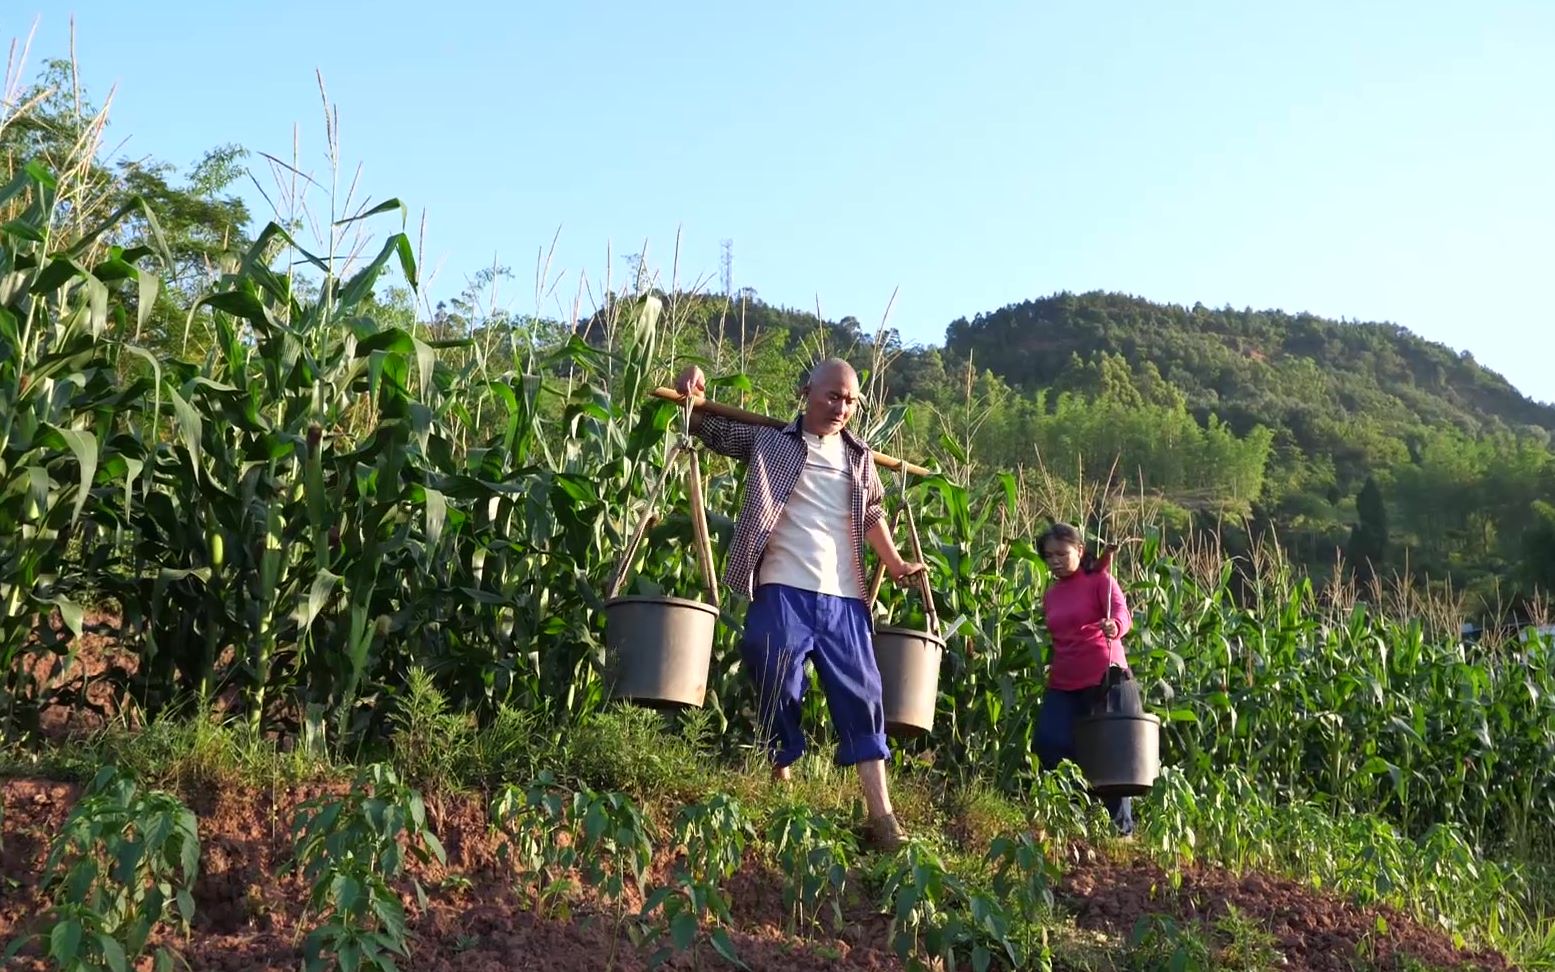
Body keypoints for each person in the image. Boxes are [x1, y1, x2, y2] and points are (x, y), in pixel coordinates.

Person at [674, 359, 926, 851]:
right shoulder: (770, 441)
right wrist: (692, 389)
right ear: (806, 391)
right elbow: (707, 428)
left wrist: (895, 564)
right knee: (768, 662)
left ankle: (883, 816)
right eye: (833, 396)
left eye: (851, 400)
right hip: (783, 584)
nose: (842, 407)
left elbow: (872, 512)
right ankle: (781, 779)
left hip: (843, 594)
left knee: (863, 694)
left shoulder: (859, 457)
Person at [1034, 521, 1136, 835]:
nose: (1054, 561)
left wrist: (1114, 627)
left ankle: (1121, 830)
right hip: (1064, 681)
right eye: (1048, 555)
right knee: (1049, 741)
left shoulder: (1100, 581)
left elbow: (1123, 614)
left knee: (1111, 753)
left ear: (1079, 550)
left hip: (1104, 676)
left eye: (1061, 554)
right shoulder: (1051, 594)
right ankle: (1074, 813)